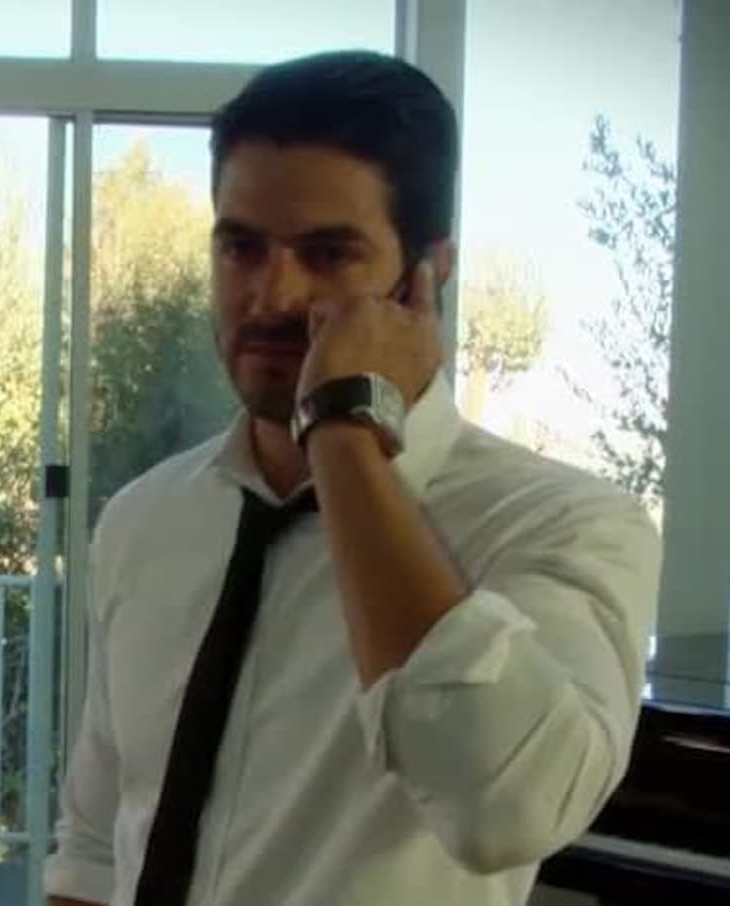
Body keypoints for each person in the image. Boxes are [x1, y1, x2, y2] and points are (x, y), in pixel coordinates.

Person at [45, 51, 659, 906]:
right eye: (240, 246)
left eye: (328, 253)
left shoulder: (563, 524)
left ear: (426, 277)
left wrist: (340, 430)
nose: (270, 296)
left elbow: (507, 810)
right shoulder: (144, 521)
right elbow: (96, 843)